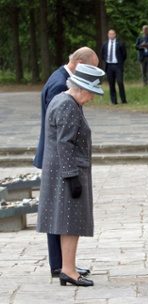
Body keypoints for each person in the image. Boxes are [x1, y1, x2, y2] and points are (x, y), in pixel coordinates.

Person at [36, 63, 105, 287]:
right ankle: (67, 270)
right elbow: (64, 144)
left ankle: (68, 268)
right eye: (92, 93)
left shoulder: (63, 100)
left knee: (68, 222)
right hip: (67, 174)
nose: (92, 98)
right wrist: (72, 176)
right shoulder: (67, 104)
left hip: (64, 172)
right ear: (81, 89)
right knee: (70, 222)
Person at [101, 29, 127, 105]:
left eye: (113, 34)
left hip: (117, 65)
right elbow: (103, 55)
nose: (111, 35)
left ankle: (123, 99)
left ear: (115, 34)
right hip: (109, 65)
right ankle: (113, 100)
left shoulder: (120, 43)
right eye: (110, 34)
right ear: (108, 35)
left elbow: (124, 55)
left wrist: (120, 62)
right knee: (111, 84)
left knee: (120, 82)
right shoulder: (105, 44)